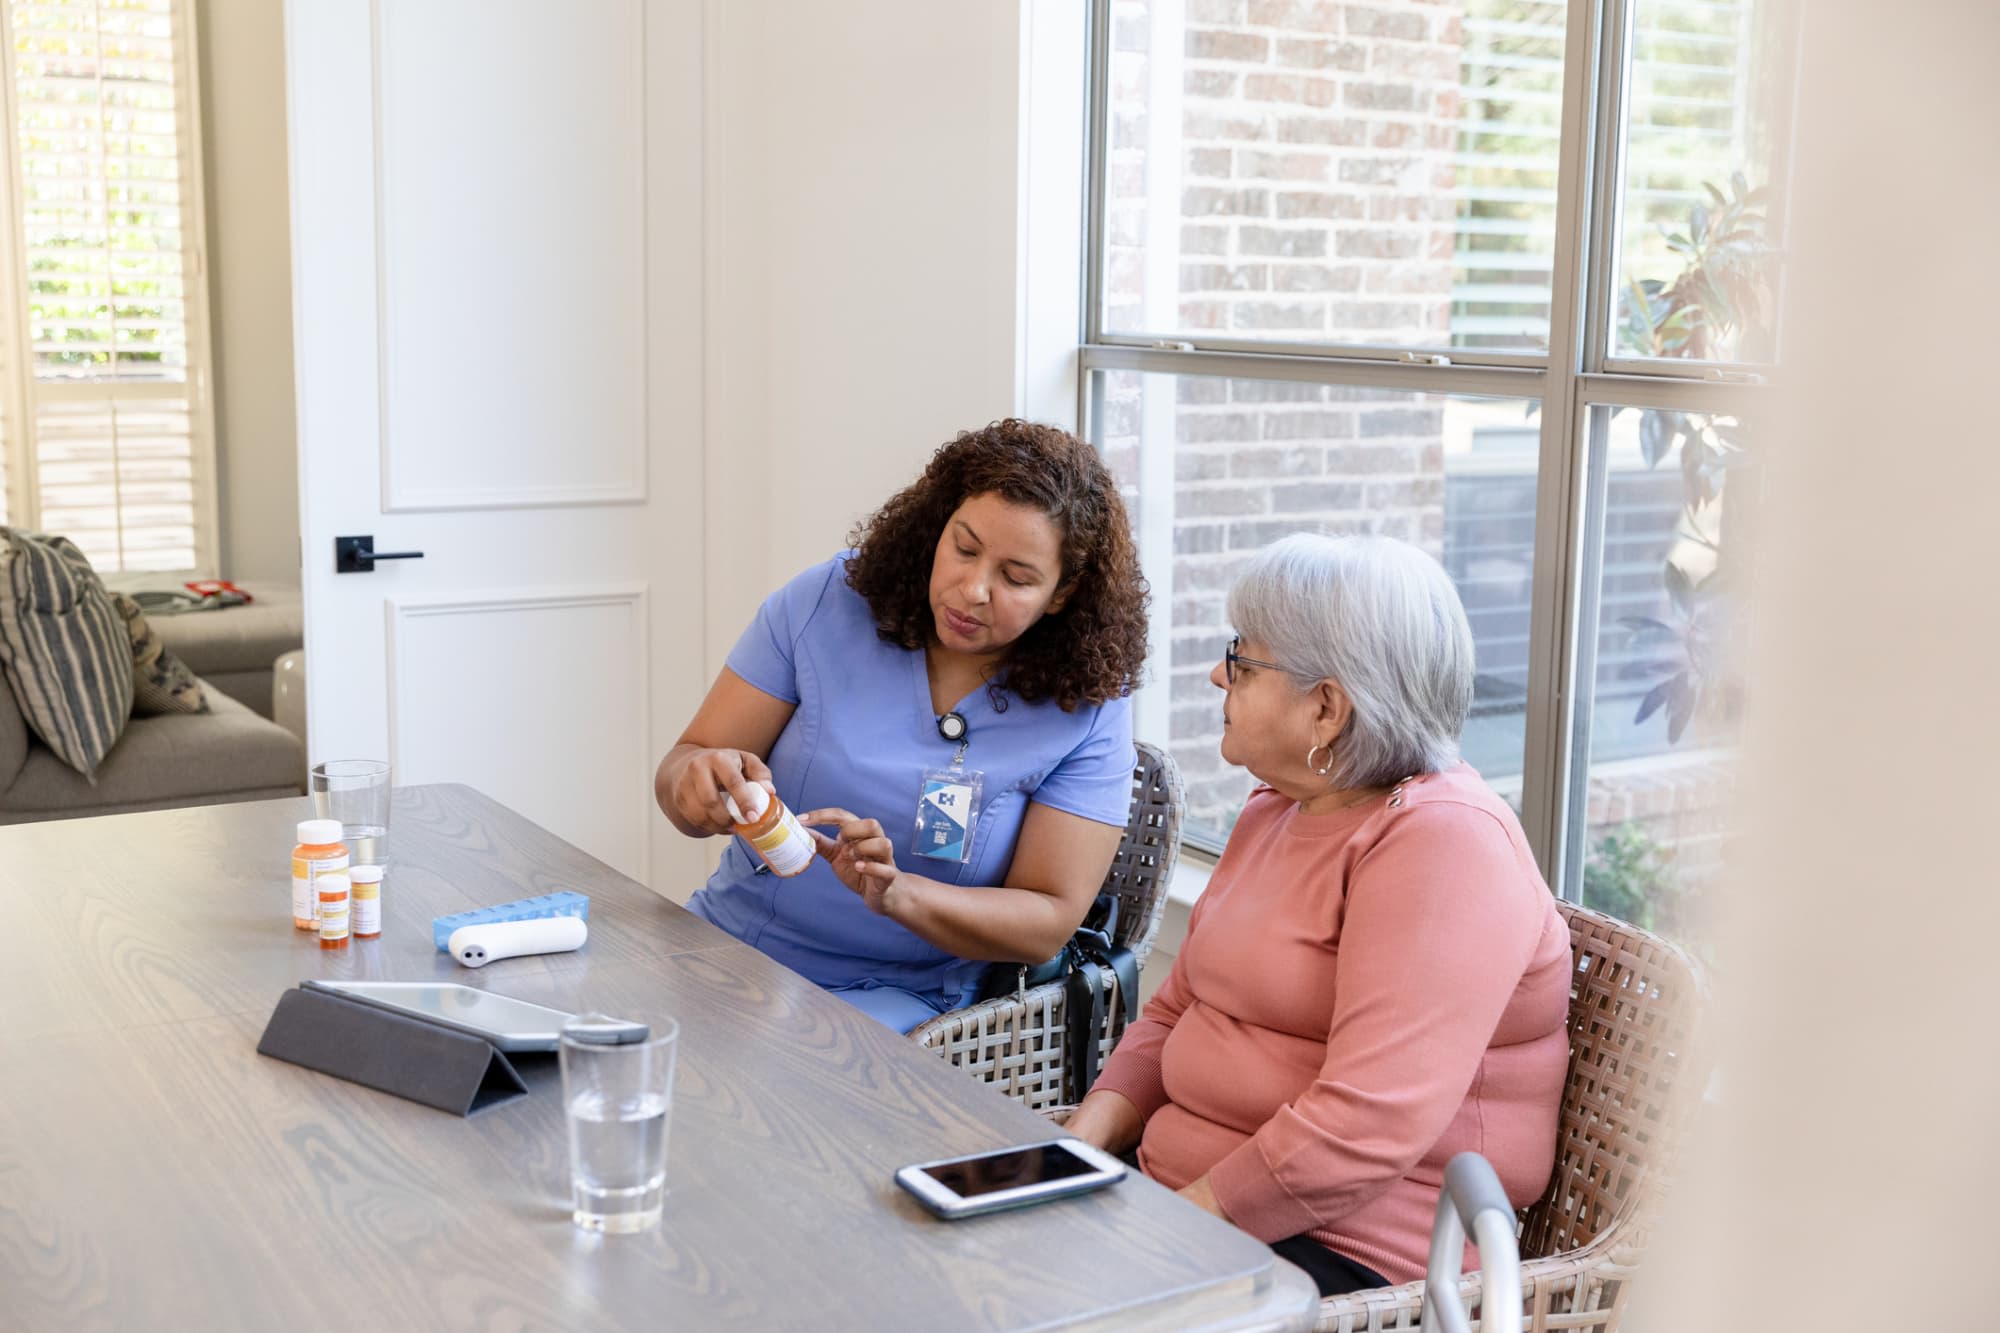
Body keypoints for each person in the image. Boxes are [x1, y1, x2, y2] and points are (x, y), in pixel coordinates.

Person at [1063, 533, 1571, 1297]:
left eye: (1241, 658)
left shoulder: (1445, 843)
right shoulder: (1278, 808)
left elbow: (1364, 1127)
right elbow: (1177, 1007)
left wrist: (1169, 1231)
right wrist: (1081, 1144)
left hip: (1345, 1260)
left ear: (1326, 707)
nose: (1216, 674)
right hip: (1182, 1206)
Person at [655, 419, 1149, 1032]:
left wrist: (897, 894)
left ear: (1063, 592)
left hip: (897, 1000)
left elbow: (1046, 921)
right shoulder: (829, 601)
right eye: (964, 548)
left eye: (1016, 578)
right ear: (937, 527)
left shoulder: (1089, 704)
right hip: (728, 943)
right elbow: (685, 767)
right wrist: (696, 783)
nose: (972, 590)